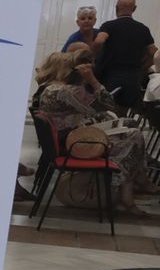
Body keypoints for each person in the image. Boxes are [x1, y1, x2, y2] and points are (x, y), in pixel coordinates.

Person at [34, 50, 158, 213]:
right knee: (134, 136)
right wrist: (92, 80)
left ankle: (130, 188)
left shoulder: (48, 89)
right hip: (75, 145)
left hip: (67, 141)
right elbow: (107, 104)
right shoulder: (63, 91)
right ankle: (128, 190)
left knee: (130, 130)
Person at [93, 0, 156, 109]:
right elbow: (153, 52)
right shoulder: (143, 29)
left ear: (116, 8)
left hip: (111, 75)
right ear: (134, 9)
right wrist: (145, 66)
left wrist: (95, 58)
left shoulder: (109, 26)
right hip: (134, 77)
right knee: (129, 110)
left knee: (109, 108)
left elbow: (99, 41)